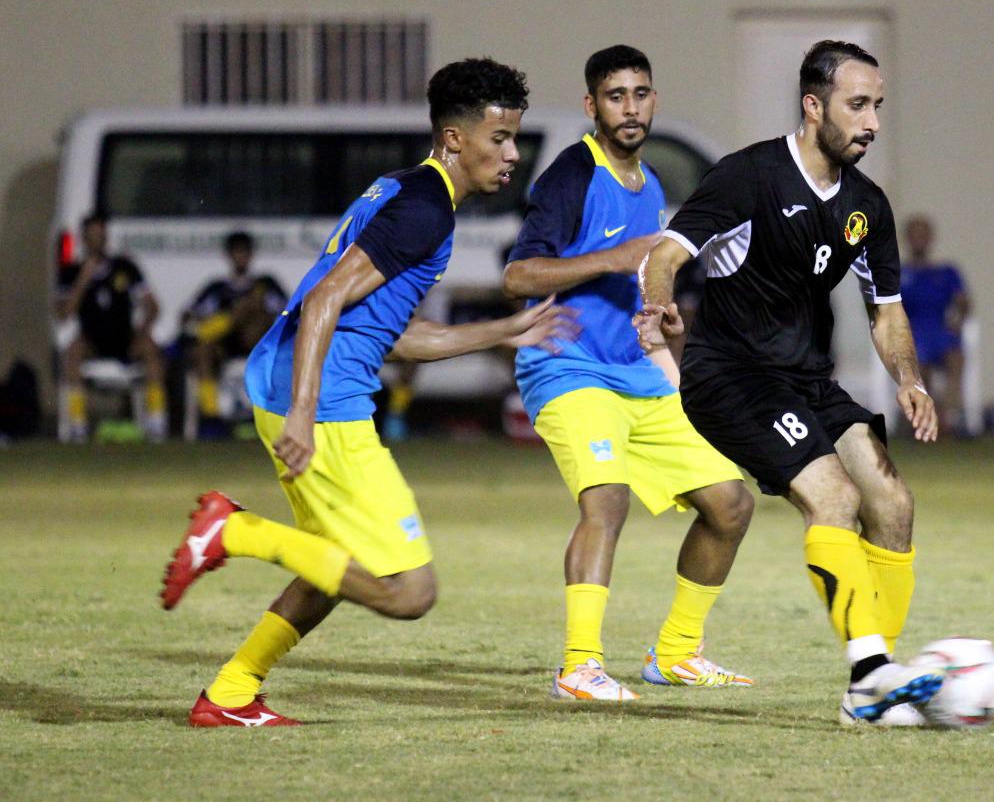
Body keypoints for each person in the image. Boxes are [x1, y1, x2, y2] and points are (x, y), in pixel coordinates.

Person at [160, 58, 577, 727]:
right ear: (453, 139)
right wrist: (303, 413)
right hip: (322, 404)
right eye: (498, 138)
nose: (512, 153)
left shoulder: (405, 191)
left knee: (336, 568)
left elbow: (393, 334)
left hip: (301, 386)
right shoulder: (424, 210)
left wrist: (508, 329)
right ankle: (233, 531)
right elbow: (325, 297)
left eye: (515, 137)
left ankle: (232, 693)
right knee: (408, 591)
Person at [635, 40, 943, 727]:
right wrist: (658, 301)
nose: (872, 122)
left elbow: (884, 308)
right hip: (732, 376)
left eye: (878, 107)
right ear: (813, 106)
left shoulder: (867, 204)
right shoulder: (749, 178)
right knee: (832, 496)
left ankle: (875, 681)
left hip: (806, 378)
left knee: (891, 502)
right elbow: (665, 253)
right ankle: (873, 677)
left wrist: (910, 378)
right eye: (857, 105)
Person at [503, 45, 754, 701]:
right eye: (615, 96)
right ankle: (579, 667)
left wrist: (662, 325)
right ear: (592, 106)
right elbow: (518, 275)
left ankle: (674, 654)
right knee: (606, 500)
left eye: (640, 93)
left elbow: (640, 284)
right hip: (566, 365)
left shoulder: (653, 186)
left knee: (730, 504)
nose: (630, 107)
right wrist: (615, 258)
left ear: (654, 101)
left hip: (631, 371)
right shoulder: (570, 175)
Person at [56, 212, 167, 441]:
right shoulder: (71, 272)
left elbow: (152, 306)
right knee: (72, 352)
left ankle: (156, 423)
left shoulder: (125, 267)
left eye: (101, 235)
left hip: (125, 337)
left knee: (151, 350)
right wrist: (83, 281)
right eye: (92, 236)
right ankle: (77, 425)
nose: (97, 240)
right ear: (84, 239)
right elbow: (64, 313)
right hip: (92, 340)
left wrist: (143, 330)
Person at [185, 231, 287, 427]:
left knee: (256, 305)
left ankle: (268, 411)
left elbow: (287, 313)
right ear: (228, 256)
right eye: (236, 252)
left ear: (251, 255)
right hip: (225, 346)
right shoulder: (217, 288)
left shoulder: (265, 284)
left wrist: (253, 309)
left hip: (258, 344)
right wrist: (228, 317)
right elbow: (188, 315)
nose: (240, 257)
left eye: (244, 252)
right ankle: (211, 415)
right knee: (202, 351)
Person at [899, 215, 970, 435]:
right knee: (921, 365)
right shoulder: (898, 274)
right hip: (913, 331)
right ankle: (929, 419)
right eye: (915, 235)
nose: (920, 239)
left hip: (941, 329)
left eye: (924, 234)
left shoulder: (947, 272)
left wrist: (958, 319)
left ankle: (946, 415)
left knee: (956, 358)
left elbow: (963, 303)